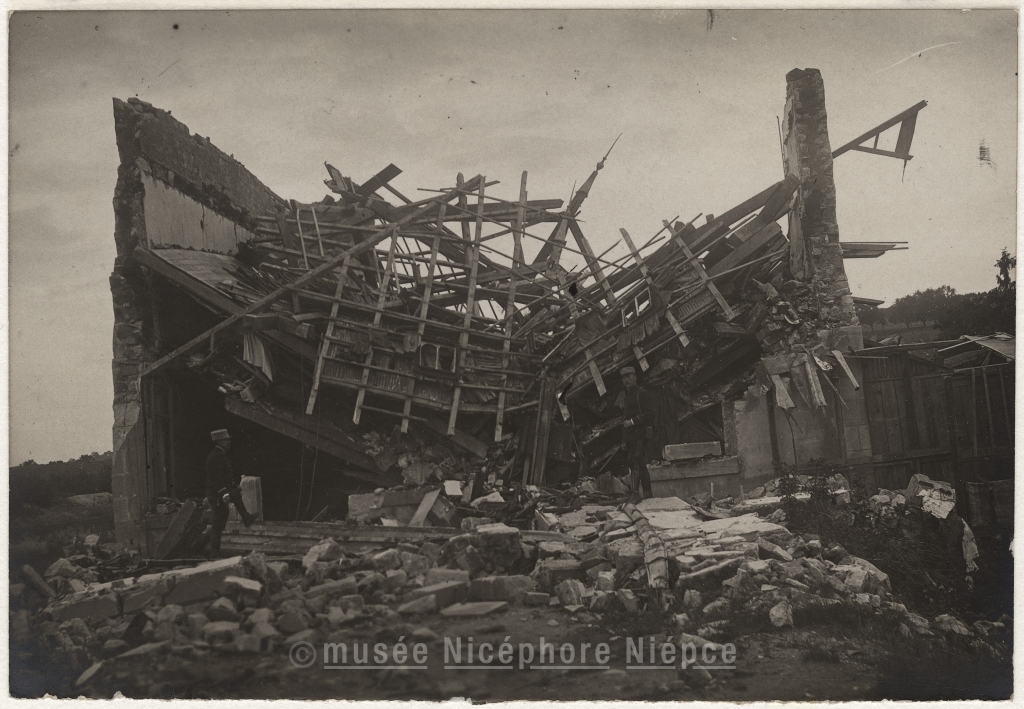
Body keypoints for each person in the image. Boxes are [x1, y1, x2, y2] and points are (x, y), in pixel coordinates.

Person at [205, 429, 255, 558]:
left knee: (236, 495)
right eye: (226, 440)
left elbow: (225, 477)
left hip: (222, 491)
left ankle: (246, 518)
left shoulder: (221, 454)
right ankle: (214, 554)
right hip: (217, 494)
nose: (229, 442)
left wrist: (234, 487)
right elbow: (216, 479)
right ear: (219, 441)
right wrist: (224, 493)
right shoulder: (215, 457)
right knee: (218, 523)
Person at [619, 366, 655, 499]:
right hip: (631, 436)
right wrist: (624, 440)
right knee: (640, 463)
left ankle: (635, 494)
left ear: (635, 377)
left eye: (629, 376)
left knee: (634, 460)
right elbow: (625, 418)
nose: (627, 380)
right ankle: (647, 493)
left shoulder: (642, 393)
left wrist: (632, 422)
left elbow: (650, 413)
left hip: (640, 433)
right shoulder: (627, 395)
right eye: (624, 378)